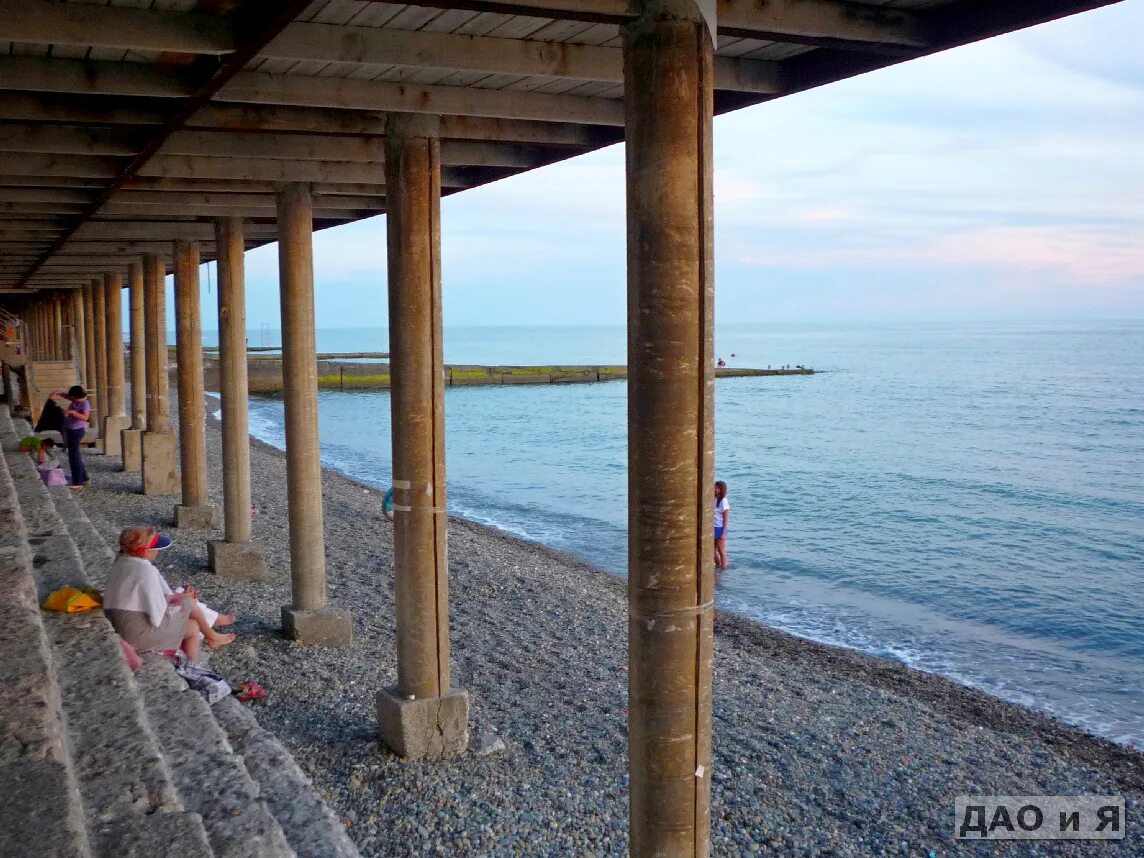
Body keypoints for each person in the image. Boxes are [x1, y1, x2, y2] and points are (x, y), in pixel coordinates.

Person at [103, 527, 236, 662]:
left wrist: (179, 597)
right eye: (155, 548)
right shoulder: (145, 572)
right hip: (137, 636)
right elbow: (158, 617)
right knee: (187, 603)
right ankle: (209, 640)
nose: (157, 551)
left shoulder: (121, 561)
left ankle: (205, 645)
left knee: (192, 626)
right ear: (147, 551)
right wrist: (183, 601)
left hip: (122, 626)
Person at [51, 385, 90, 490]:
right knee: (75, 454)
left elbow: (85, 417)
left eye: (72, 398)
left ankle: (77, 482)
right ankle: (84, 478)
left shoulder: (85, 403)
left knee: (74, 457)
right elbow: (67, 396)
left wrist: (72, 412)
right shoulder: (76, 399)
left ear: (75, 397)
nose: (70, 399)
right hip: (70, 429)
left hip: (76, 431)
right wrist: (58, 393)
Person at [714, 480, 730, 570]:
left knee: (721, 550)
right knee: (712, 551)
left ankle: (723, 569)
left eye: (716, 488)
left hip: (719, 528)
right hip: (712, 527)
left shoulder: (723, 501)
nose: (714, 489)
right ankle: (718, 565)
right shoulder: (713, 499)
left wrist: (723, 533)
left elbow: (726, 518)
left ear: (720, 489)